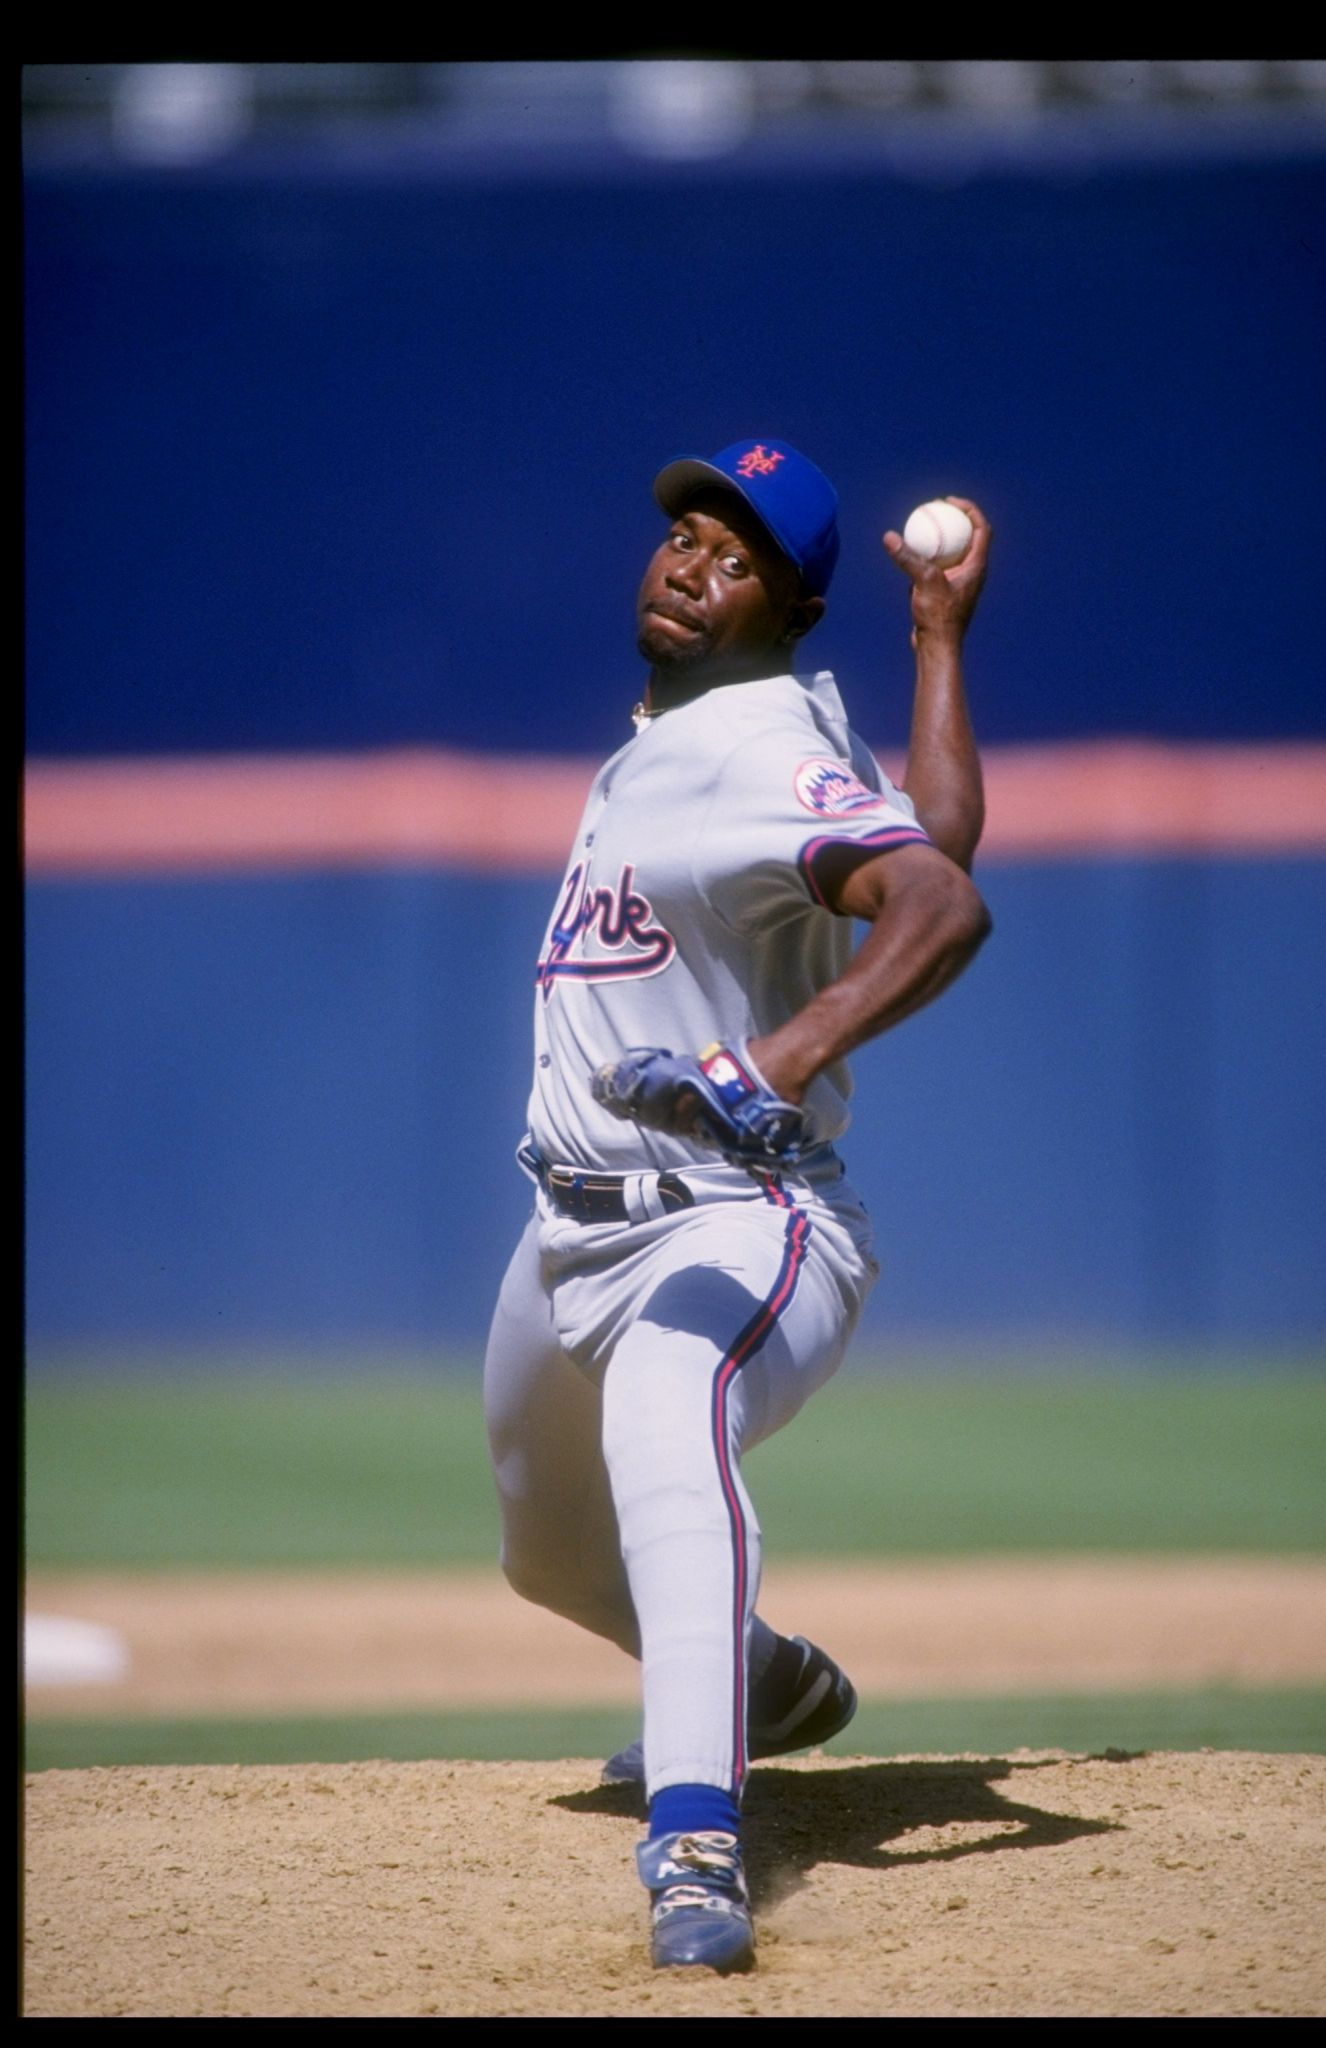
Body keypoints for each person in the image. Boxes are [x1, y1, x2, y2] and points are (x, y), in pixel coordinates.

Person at [482, 438, 992, 1974]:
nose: (690, 565)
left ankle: (697, 1835)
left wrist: (776, 1057)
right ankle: (761, 1683)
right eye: (681, 537)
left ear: (786, 605)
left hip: (733, 1213)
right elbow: (938, 835)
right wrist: (938, 644)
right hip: (571, 1224)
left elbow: (937, 904)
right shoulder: (693, 732)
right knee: (552, 1558)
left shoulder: (750, 739)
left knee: (663, 1410)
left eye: (736, 555)